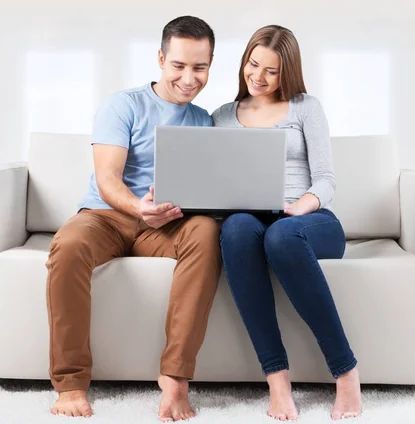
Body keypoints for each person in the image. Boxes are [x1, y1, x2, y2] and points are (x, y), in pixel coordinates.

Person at [45, 16, 221, 421]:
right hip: (107, 216)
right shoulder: (123, 104)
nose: (189, 78)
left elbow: (204, 188)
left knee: (208, 230)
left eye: (200, 67)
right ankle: (70, 384)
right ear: (161, 59)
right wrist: (139, 207)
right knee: (68, 245)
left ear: (211, 65)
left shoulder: (204, 120)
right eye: (179, 66)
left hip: (167, 225)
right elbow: (107, 179)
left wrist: (184, 209)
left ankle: (175, 380)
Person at [212, 25, 362, 421]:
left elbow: (327, 179)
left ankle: (346, 372)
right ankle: (278, 383)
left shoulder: (305, 107)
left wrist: (302, 204)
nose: (257, 76)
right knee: (237, 229)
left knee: (281, 237)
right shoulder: (222, 117)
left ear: (288, 72)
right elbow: (212, 180)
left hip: (309, 220)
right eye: (252, 63)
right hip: (249, 218)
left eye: (271, 71)